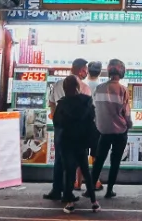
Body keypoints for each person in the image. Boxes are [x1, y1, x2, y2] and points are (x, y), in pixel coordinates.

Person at [45, 58, 90, 201]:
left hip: (60, 127)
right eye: (86, 70)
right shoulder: (84, 87)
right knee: (74, 161)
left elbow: (51, 102)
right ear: (82, 70)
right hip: (77, 129)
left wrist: (55, 118)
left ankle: (56, 190)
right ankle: (68, 192)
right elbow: (87, 110)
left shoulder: (58, 84)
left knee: (59, 159)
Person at [54, 75, 100, 214]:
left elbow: (57, 122)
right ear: (78, 87)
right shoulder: (86, 101)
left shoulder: (62, 103)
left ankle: (70, 202)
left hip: (67, 141)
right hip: (81, 141)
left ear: (65, 88)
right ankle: (94, 202)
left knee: (69, 172)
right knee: (86, 171)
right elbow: (92, 118)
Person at [93, 59, 131, 199]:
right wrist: (129, 123)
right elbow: (126, 113)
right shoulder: (122, 90)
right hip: (119, 132)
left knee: (99, 160)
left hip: (103, 131)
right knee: (115, 161)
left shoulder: (99, 88)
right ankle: (109, 190)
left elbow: (95, 108)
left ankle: (90, 188)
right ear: (121, 71)